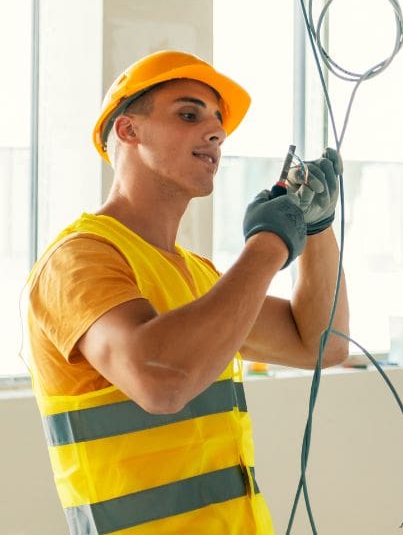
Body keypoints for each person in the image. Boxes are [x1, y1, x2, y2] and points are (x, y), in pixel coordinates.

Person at [26, 50, 349, 534]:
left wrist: (317, 226)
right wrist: (268, 246)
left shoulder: (198, 275)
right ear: (129, 131)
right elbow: (162, 381)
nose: (216, 132)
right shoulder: (78, 259)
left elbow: (321, 344)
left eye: (219, 121)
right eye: (188, 114)